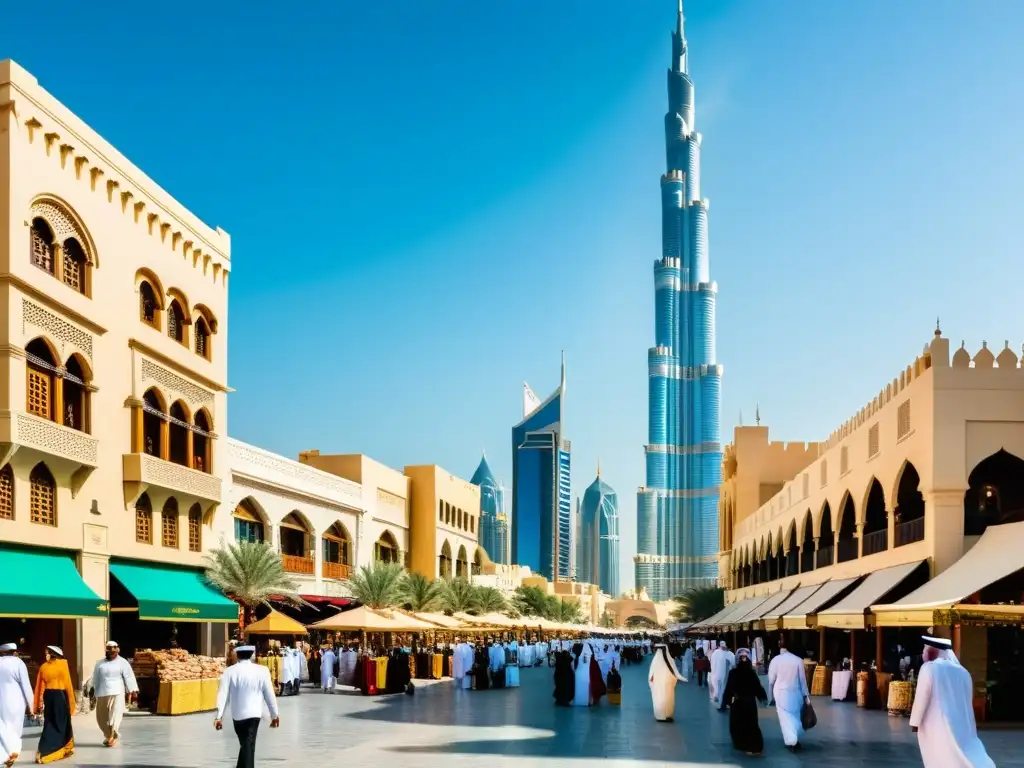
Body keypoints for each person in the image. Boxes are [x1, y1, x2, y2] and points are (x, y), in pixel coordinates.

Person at [909, 636, 994, 767]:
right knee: (963, 753)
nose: (923, 653)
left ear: (934, 650)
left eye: (925, 649)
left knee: (939, 756)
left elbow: (922, 697)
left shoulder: (929, 668)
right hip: (962, 725)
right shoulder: (964, 672)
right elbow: (967, 701)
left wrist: (915, 722)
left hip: (936, 724)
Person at [215, 645, 280, 768]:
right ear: (251, 655)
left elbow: (222, 695)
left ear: (237, 655)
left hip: (237, 716)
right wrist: (274, 715)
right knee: (247, 744)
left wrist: (218, 716)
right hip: (254, 715)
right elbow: (269, 694)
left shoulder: (229, 671)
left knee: (246, 744)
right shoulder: (262, 670)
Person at [720, 648, 768, 755]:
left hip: (738, 704)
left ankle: (741, 744)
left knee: (738, 725)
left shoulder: (733, 673)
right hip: (750, 703)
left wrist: (726, 701)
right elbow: (758, 688)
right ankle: (756, 747)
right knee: (752, 724)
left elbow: (729, 688)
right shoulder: (751, 673)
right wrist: (762, 697)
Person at [32, 645, 75, 764]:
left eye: (47, 652)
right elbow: (68, 685)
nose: (45, 654)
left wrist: (37, 704)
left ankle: (44, 752)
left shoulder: (45, 667)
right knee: (61, 722)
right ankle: (59, 749)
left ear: (51, 653)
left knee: (50, 721)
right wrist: (71, 703)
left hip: (49, 696)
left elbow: (39, 688)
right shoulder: (62, 665)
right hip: (60, 696)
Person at [92, 641, 138, 748]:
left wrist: (132, 689)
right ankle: (108, 735)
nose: (111, 652)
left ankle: (112, 735)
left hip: (118, 692)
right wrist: (93, 692)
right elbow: (95, 678)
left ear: (117, 650)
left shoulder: (123, 662)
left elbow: (129, 676)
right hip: (103, 692)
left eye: (113, 650)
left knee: (115, 715)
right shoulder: (99, 663)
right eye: (109, 650)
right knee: (102, 718)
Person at [767, 636, 810, 752]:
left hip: (780, 693)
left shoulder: (775, 660)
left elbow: (771, 680)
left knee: (785, 718)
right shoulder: (798, 660)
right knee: (794, 715)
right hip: (795, 693)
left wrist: (770, 696)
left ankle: (791, 740)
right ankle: (794, 739)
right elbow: (802, 680)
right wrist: (806, 696)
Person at [0, 643, 34, 767]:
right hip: (15, 703)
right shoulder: (19, 663)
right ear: (14, 652)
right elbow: (26, 686)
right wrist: (32, 706)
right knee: (14, 730)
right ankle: (11, 754)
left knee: (2, 729)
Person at [648, 643, 686, 722]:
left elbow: (651, 677)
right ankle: (667, 715)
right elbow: (675, 673)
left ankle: (660, 715)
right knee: (667, 699)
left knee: (659, 699)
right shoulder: (670, 660)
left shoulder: (655, 661)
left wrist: (653, 684)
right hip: (667, 686)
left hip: (658, 686)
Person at [571, 642, 592, 707]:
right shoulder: (586, 651)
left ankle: (578, 701)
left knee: (578, 687)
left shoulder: (576, 656)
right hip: (586, 673)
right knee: (585, 687)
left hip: (578, 673)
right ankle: (585, 701)